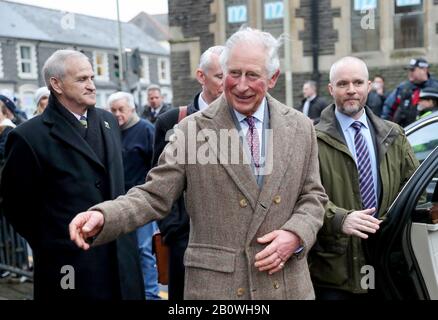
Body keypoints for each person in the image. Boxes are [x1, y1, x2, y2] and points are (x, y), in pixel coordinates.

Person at [69, 27, 327, 300]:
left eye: (252, 75)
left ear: (273, 77)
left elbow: (313, 196)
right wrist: (105, 215)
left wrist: (296, 234)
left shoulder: (300, 127)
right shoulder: (191, 130)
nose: (241, 85)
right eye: (233, 73)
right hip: (218, 289)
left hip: (286, 286)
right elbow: (154, 194)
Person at [0, 50, 144, 300]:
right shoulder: (28, 136)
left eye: (91, 78)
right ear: (56, 84)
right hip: (69, 266)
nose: (91, 86)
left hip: (121, 259)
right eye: (81, 79)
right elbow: (16, 206)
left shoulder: (109, 122)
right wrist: (55, 243)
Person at [310, 56, 419, 300]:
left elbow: (414, 189)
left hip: (386, 266)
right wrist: (340, 219)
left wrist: (393, 224)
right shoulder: (312, 140)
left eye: (358, 83)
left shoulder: (394, 134)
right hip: (335, 272)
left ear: (369, 86)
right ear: (331, 89)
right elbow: (302, 196)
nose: (351, 90)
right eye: (342, 84)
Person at [153, 45, 224, 300]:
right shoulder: (172, 121)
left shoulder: (246, 120)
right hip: (187, 242)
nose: (228, 84)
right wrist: (175, 231)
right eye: (219, 76)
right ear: (201, 76)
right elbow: (159, 183)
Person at [107, 91, 161, 300]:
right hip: (116, 202)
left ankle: (151, 295)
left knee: (143, 250)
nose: (117, 114)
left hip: (142, 202)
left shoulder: (147, 130)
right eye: (113, 110)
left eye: (121, 109)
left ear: (132, 109)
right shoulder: (110, 131)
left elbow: (157, 166)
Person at [382, 58, 438, 127]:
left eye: (412, 70)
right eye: (408, 70)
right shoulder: (403, 88)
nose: (409, 73)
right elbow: (388, 107)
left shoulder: (435, 87)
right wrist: (385, 127)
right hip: (407, 131)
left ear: (424, 70)